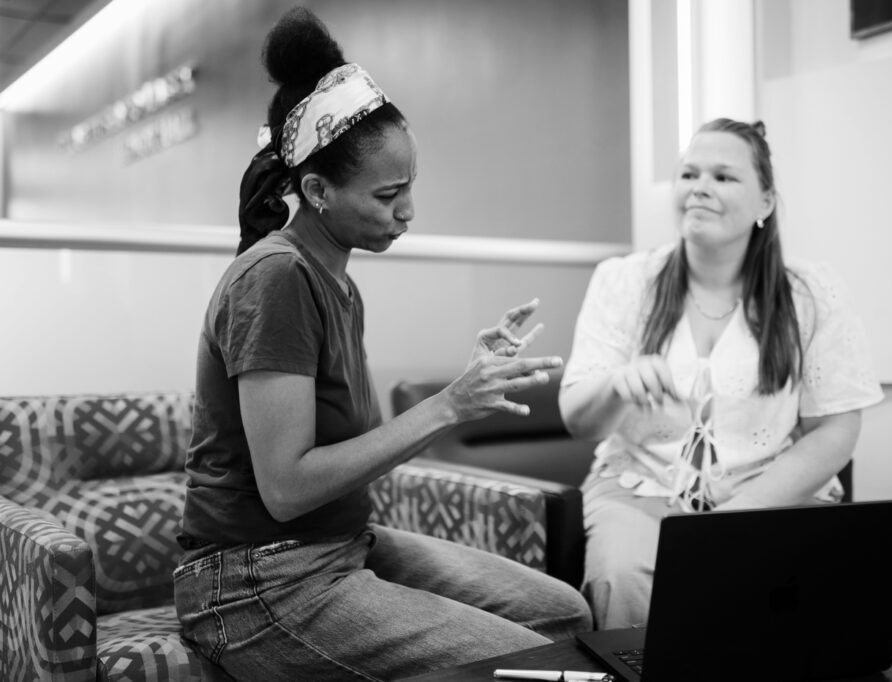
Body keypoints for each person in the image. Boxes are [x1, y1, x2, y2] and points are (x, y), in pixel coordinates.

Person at [173, 7, 592, 680]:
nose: (408, 212)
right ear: (316, 191)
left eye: (410, 187)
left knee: (564, 615)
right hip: (254, 583)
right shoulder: (275, 277)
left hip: (340, 547)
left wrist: (467, 383)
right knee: (527, 666)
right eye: (389, 194)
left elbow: (354, 449)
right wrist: (450, 404)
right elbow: (286, 489)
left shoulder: (337, 283)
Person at [558, 118, 884, 630]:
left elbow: (836, 429)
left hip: (769, 495)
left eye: (723, 177)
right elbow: (579, 421)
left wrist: (743, 513)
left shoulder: (811, 293)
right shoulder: (623, 280)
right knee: (622, 578)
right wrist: (616, 385)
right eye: (689, 174)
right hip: (641, 489)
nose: (700, 188)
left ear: (765, 202)